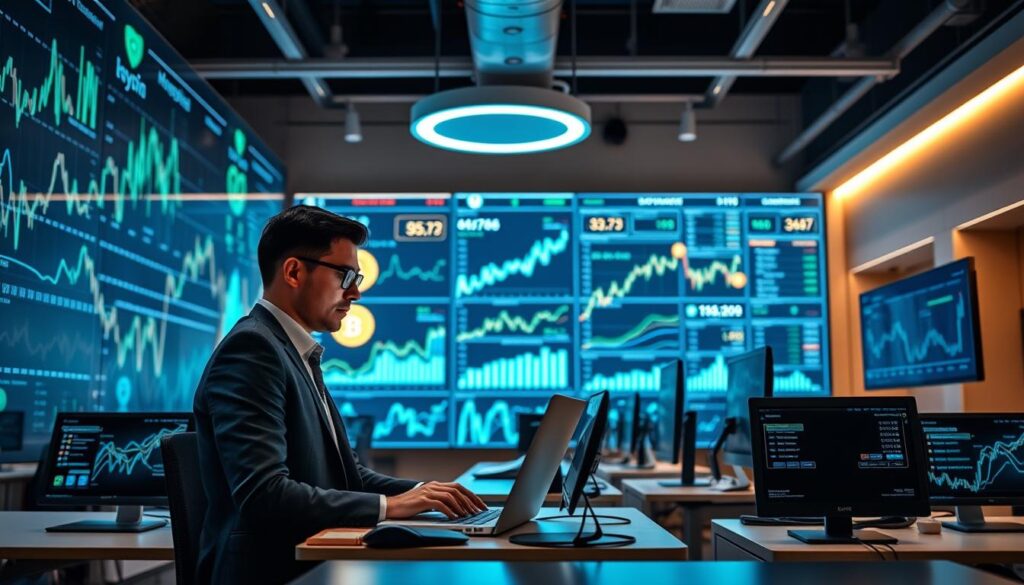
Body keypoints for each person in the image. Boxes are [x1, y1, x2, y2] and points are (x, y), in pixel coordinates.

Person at [193, 206, 486, 584]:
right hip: (272, 571)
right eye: (345, 275)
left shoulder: (291, 351)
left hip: (309, 560)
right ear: (295, 272)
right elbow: (264, 496)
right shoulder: (252, 350)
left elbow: (344, 475)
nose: (356, 292)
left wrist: (422, 492)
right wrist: (391, 507)